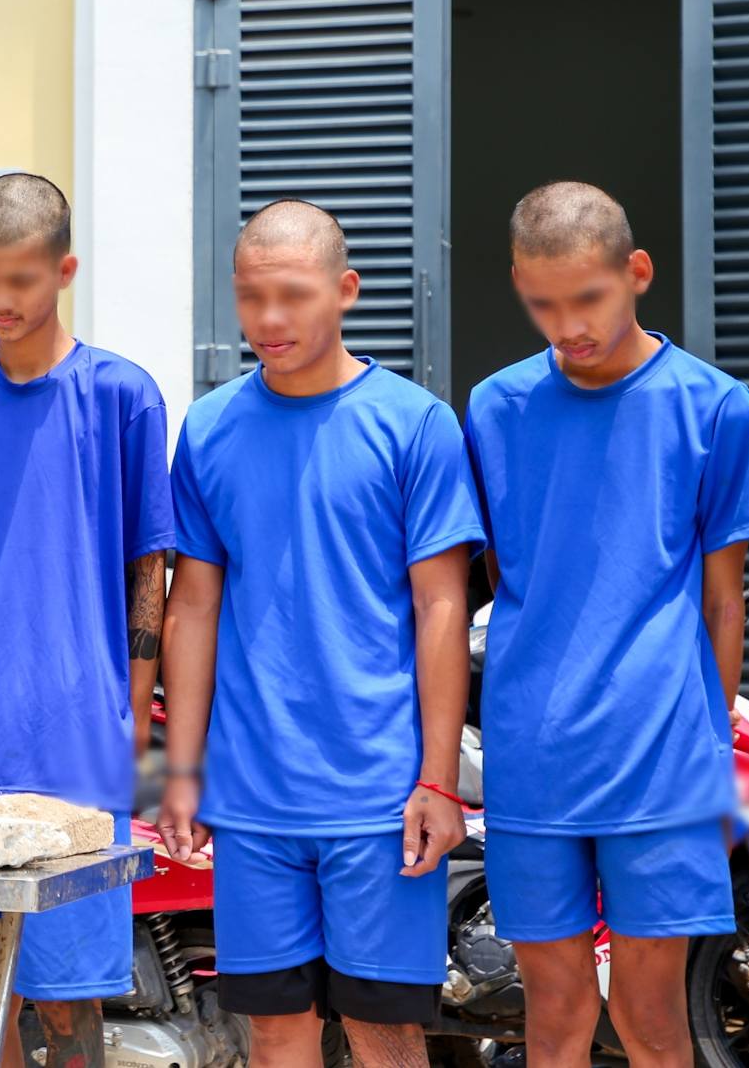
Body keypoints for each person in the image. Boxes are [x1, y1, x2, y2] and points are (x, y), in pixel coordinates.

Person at [158, 201, 482, 1068]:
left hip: (381, 795)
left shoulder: (415, 424)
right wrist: (183, 773)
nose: (268, 319)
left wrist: (438, 780)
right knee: (274, 1031)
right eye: (250, 296)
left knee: (384, 1031)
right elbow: (193, 606)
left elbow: (441, 607)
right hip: (253, 794)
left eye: (294, 295)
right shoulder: (210, 428)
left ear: (345, 290)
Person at [463, 182, 749, 1068]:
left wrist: (712, 746)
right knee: (554, 1019)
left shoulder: (713, 406)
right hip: (533, 755)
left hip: (662, 756)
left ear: (637, 271)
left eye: (587, 299)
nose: (567, 327)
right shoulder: (494, 407)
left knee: (651, 1018)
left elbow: (723, 602)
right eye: (542, 304)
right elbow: (507, 577)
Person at [0, 173, 173, 1067]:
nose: (1, 299)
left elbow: (149, 565)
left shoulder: (123, 395)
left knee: (69, 998)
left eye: (20, 278)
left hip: (79, 735)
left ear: (64, 270)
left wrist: (129, 713)